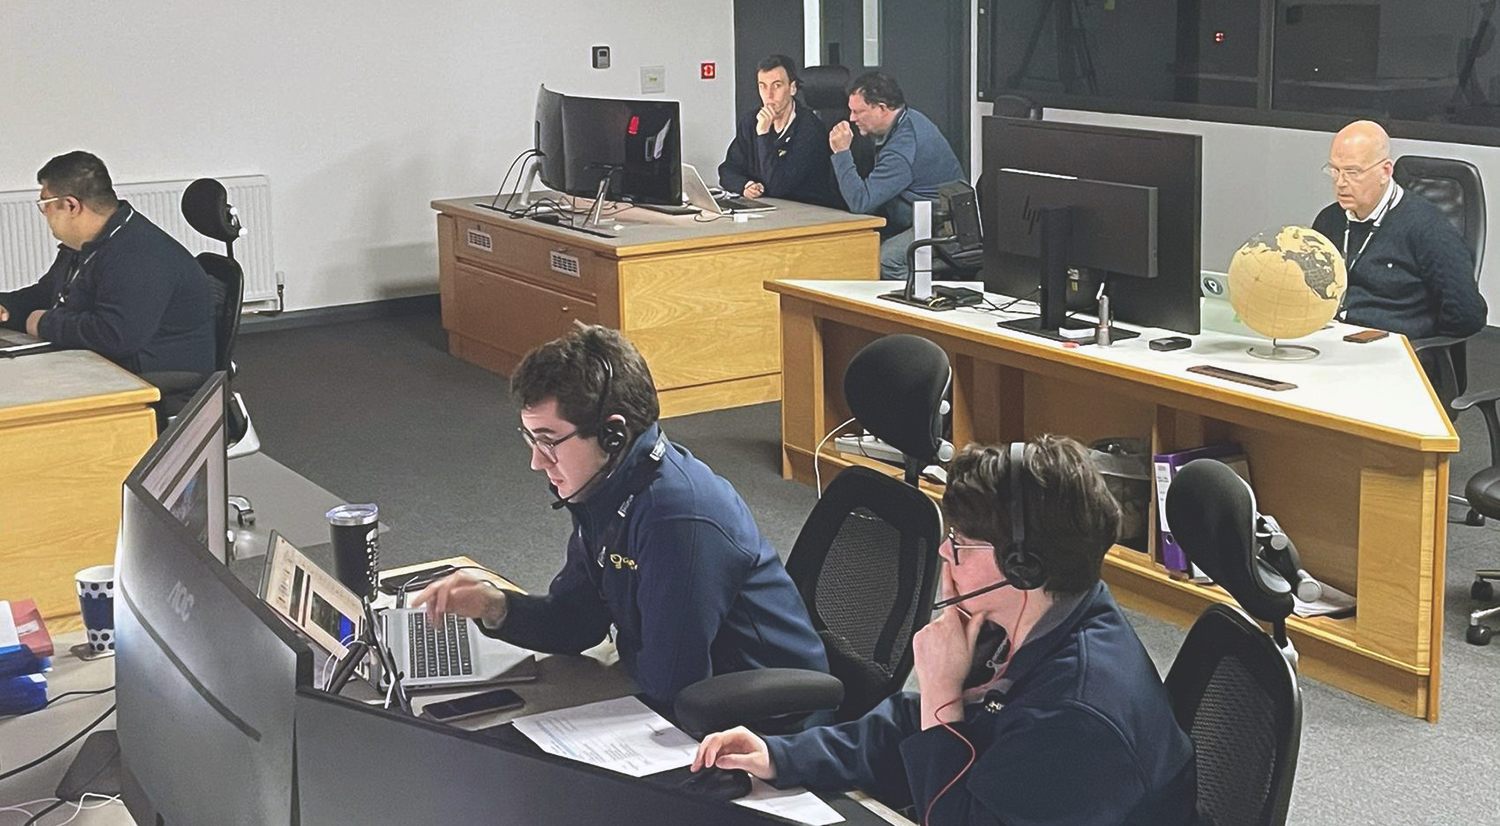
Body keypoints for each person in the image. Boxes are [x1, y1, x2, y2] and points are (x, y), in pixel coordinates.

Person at [693, 436, 1198, 826]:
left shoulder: (1077, 712)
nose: (943, 553)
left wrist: (939, 692)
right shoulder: (1026, 618)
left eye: (960, 542)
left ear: (1021, 565)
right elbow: (914, 723)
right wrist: (783, 755)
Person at [413, 323, 828, 708]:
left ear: (612, 435)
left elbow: (674, 685)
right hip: (683, 691)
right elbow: (579, 621)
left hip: (763, 721)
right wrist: (495, 606)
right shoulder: (608, 487)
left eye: (548, 442)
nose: (537, 463)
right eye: (530, 440)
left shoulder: (677, 520)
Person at [0, 151, 215, 377]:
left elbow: (116, 335)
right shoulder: (87, 244)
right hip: (104, 364)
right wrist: (8, 308)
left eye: (45, 203)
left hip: (152, 379)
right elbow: (50, 293)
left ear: (71, 205)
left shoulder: (139, 254)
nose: (44, 213)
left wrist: (42, 323)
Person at [1311, 120, 1486, 342]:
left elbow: (1467, 314)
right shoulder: (1329, 220)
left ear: (1385, 172)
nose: (1341, 182)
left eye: (1352, 172)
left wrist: (1420, 339)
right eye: (1334, 171)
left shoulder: (1428, 229)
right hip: (1330, 339)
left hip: (1390, 346)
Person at [829, 72, 965, 281]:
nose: (851, 118)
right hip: (920, 217)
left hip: (943, 225)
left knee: (886, 259)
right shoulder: (907, 120)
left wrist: (841, 153)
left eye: (858, 112)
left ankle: (920, 300)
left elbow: (861, 202)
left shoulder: (902, 148)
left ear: (882, 108)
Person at [717, 55, 839, 208]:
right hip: (765, 211)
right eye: (762, 86)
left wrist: (763, 134)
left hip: (804, 213)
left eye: (777, 85)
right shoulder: (750, 122)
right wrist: (745, 185)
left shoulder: (810, 128)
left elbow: (778, 188)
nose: (769, 95)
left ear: (792, 88)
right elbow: (727, 170)